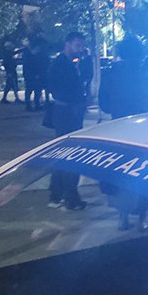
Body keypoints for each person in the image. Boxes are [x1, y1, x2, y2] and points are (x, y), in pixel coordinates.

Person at [47, 32, 88, 210]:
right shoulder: (59, 64)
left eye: (82, 45)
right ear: (68, 43)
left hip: (70, 111)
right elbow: (57, 89)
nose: (80, 48)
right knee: (71, 154)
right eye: (77, 45)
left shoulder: (74, 63)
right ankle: (70, 196)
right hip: (66, 112)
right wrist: (75, 101)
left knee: (63, 152)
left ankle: (56, 193)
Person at [98, 37, 148, 119]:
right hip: (144, 119)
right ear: (140, 53)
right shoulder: (146, 74)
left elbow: (104, 105)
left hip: (119, 119)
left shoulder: (109, 74)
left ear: (121, 53)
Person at [21, 37, 42, 111]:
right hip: (31, 74)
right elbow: (31, 64)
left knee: (33, 90)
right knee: (32, 90)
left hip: (29, 74)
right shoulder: (28, 53)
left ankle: (33, 105)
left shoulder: (27, 52)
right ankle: (31, 105)